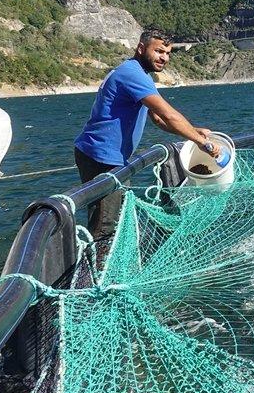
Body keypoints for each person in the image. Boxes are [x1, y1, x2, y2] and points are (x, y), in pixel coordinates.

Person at [74, 27, 220, 242]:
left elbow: (158, 119)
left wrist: (193, 130)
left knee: (117, 218)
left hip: (106, 155)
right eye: (159, 51)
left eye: (168, 53)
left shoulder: (138, 73)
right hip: (102, 157)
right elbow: (168, 115)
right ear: (141, 48)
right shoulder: (132, 74)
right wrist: (201, 142)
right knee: (105, 225)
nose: (164, 58)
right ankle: (100, 262)